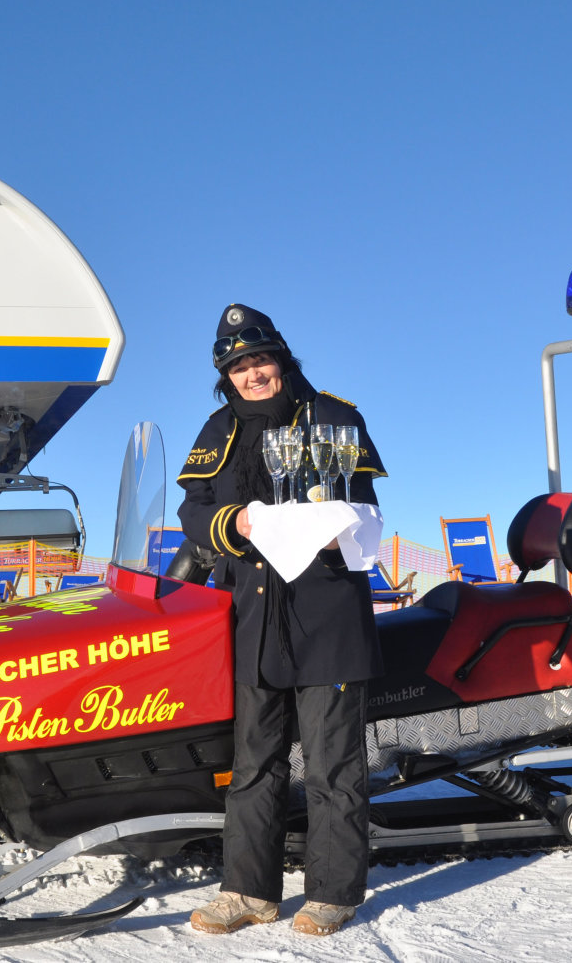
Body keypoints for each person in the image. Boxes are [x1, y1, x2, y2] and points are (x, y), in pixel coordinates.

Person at [178, 303, 386, 938]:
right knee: (254, 765)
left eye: (260, 360)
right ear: (226, 376)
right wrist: (234, 523)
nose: (251, 374)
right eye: (237, 367)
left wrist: (338, 531)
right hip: (252, 617)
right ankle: (248, 891)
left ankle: (332, 893)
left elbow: (365, 504)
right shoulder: (217, 429)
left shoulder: (334, 417)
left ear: (282, 359)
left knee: (331, 766)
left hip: (326, 617)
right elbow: (193, 511)